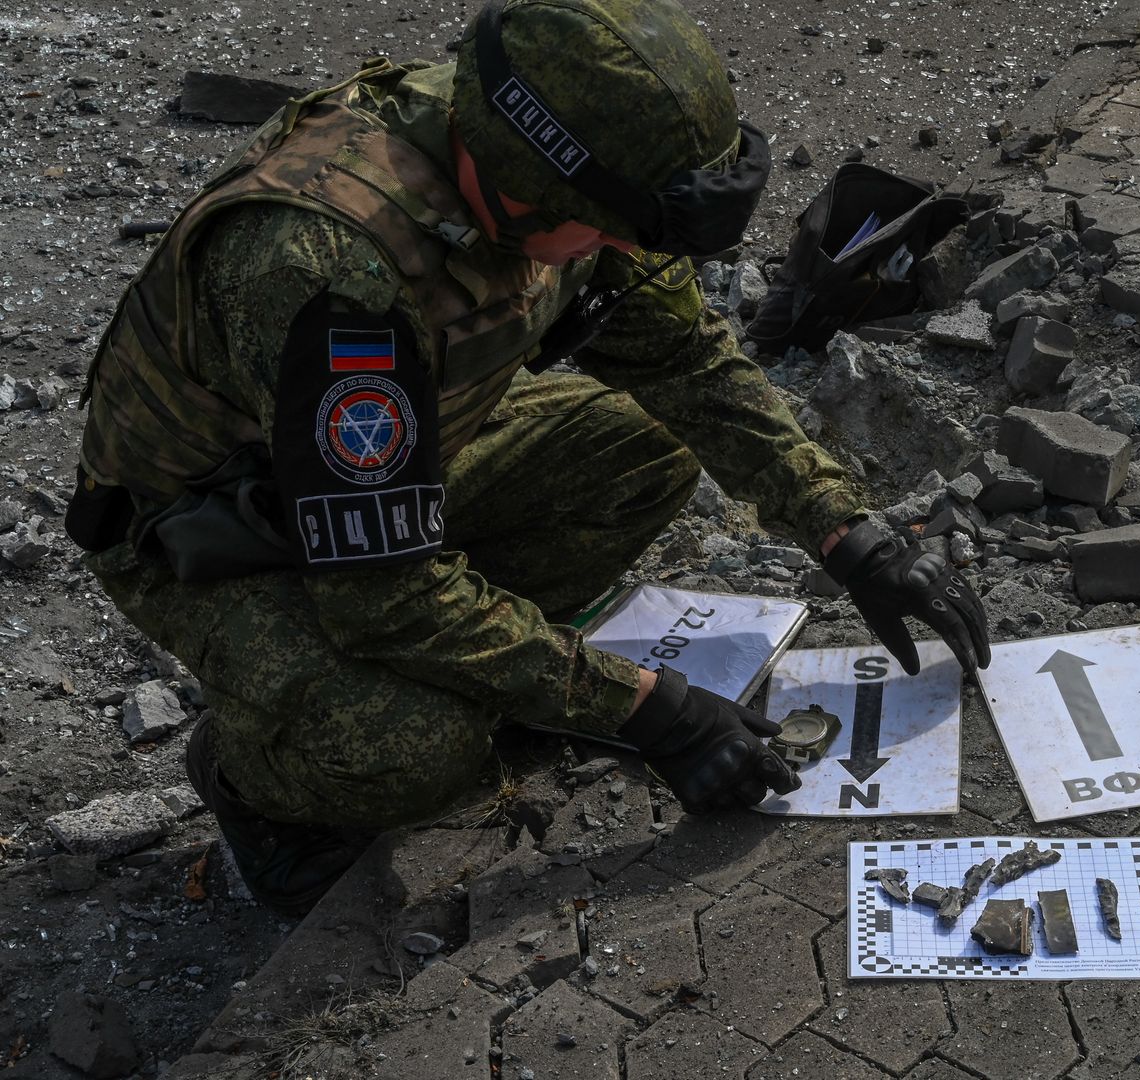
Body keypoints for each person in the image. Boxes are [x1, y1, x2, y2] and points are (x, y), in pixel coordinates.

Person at [66, 0, 990, 916]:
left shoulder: (561, 162)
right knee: (418, 751)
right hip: (209, 539)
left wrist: (849, 534)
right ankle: (252, 779)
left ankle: (474, 649)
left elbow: (686, 364)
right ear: (518, 183)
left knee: (648, 446)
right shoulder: (328, 271)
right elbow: (378, 592)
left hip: (382, 478)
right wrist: (644, 708)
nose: (621, 252)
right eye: (605, 231)